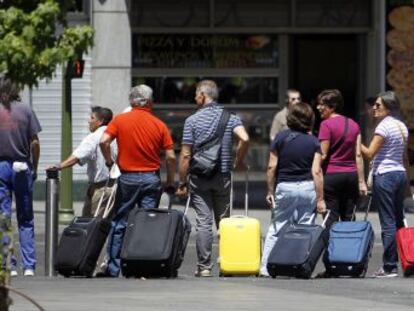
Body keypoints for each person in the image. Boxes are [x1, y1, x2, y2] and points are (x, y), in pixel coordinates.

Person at [98, 84, 176, 277]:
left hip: (128, 178)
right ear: (149, 102)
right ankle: (143, 266)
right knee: (147, 222)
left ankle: (114, 268)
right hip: (151, 178)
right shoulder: (159, 124)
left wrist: (110, 161)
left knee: (120, 221)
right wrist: (170, 181)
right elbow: (171, 157)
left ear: (131, 101)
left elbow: (103, 141)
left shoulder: (120, 120)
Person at [176, 80, 249, 277]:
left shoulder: (191, 121)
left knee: (203, 222)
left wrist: (182, 182)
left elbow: (185, 155)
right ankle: (228, 264)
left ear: (202, 96)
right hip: (223, 175)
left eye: (196, 95)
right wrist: (238, 160)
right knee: (224, 221)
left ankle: (204, 267)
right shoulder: (231, 117)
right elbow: (245, 138)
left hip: (199, 177)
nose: (194, 98)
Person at [260, 102, 326, 277]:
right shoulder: (314, 142)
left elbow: (271, 167)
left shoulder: (280, 138)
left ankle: (266, 267)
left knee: (277, 228)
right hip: (307, 188)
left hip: (285, 186)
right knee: (305, 230)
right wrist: (320, 199)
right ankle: (297, 266)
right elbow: (316, 171)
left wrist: (270, 191)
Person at [361, 91, 408, 278]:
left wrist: (355, 141)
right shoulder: (401, 126)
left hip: (385, 175)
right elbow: (403, 157)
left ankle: (390, 266)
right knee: (398, 220)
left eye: (378, 105)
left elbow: (369, 153)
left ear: (388, 107)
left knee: (387, 221)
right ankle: (405, 259)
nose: (374, 108)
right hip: (399, 174)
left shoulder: (384, 127)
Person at [0, 75, 41, 277]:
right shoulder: (25, 110)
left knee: (3, 217)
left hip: (1, 167)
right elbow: (34, 142)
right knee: (26, 217)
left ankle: (8, 264)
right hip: (22, 166)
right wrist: (35, 166)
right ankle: (29, 266)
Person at [47, 106, 118, 217]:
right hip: (115, 187)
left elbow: (77, 156)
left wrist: (59, 166)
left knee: (94, 225)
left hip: (100, 189)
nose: (89, 121)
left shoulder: (94, 137)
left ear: (100, 121)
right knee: (106, 223)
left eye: (92, 118)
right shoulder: (115, 135)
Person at [316, 89, 367, 228]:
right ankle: (349, 247)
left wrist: (313, 169)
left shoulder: (325, 125)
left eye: (322, 105)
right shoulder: (354, 124)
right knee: (349, 217)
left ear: (332, 107)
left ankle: (329, 248)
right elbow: (358, 155)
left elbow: (324, 154)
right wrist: (361, 182)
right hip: (351, 176)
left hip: (331, 176)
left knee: (330, 217)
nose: (318, 107)